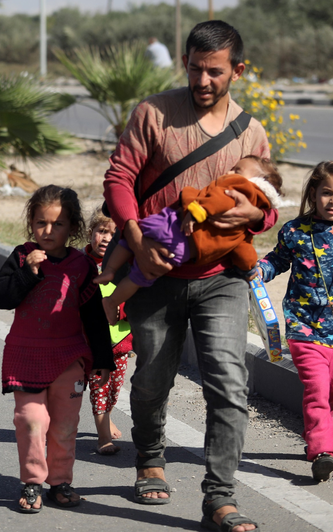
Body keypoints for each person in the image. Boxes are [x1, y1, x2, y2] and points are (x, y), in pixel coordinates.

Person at [102, 20, 272, 532]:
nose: (203, 80)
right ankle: (149, 454)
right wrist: (136, 241)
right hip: (155, 274)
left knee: (228, 381)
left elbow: (266, 204)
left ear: (236, 71)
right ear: (185, 63)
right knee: (153, 376)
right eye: (195, 68)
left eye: (215, 72)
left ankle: (220, 498)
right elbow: (120, 177)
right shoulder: (153, 113)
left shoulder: (252, 132)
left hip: (222, 278)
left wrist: (256, 218)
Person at [0, 186, 113, 513]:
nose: (48, 231)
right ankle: (32, 482)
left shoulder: (82, 266)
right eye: (41, 222)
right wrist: (28, 271)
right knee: (31, 420)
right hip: (26, 356)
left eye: (58, 224)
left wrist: (103, 359)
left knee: (63, 426)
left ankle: (60, 482)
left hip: (69, 359)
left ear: (73, 228)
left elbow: (93, 314)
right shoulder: (21, 256)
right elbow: (2, 298)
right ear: (31, 222)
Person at [98, 155, 282, 325]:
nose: (230, 172)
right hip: (178, 242)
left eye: (237, 170)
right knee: (140, 276)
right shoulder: (240, 193)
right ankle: (112, 301)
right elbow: (242, 249)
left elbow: (207, 197)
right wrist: (249, 268)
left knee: (132, 239)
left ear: (258, 182)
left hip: (169, 217)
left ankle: (110, 270)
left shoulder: (239, 187)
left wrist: (193, 207)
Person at [258, 161, 333, 483]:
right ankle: (321, 453)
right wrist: (259, 270)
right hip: (305, 329)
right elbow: (276, 261)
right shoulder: (294, 232)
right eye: (328, 192)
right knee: (317, 391)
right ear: (313, 193)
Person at [84, 208, 134, 456]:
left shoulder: (125, 264)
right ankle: (102, 436)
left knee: (114, 389)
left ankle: (107, 417)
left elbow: (135, 293)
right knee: (99, 387)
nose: (105, 238)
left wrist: (123, 310)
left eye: (113, 234)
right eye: (101, 231)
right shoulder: (82, 265)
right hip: (92, 343)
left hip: (120, 342)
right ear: (90, 233)